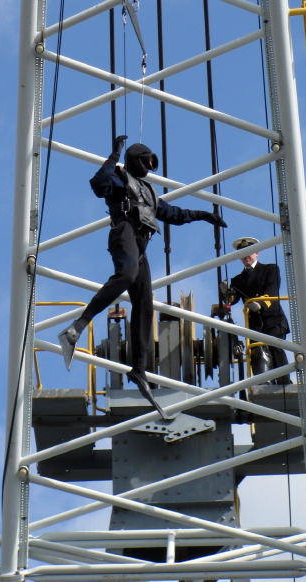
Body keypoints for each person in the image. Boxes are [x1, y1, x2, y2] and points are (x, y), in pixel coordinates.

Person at [58, 135, 227, 418]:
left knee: (145, 305)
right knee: (126, 276)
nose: (150, 167)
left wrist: (203, 215)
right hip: (124, 231)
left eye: (152, 163)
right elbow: (98, 184)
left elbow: (173, 213)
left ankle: (139, 369)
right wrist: (114, 155)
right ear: (136, 160)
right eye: (147, 161)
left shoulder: (148, 191)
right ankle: (76, 328)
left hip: (141, 244)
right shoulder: (119, 180)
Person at [226, 236, 291, 384]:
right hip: (254, 324)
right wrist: (226, 293)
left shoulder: (270, 269)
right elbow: (233, 299)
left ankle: (284, 383)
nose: (246, 256)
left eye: (250, 252)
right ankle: (263, 384)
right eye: (243, 253)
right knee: (258, 353)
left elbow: (272, 290)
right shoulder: (237, 280)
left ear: (257, 253)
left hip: (273, 318)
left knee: (275, 348)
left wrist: (260, 304)